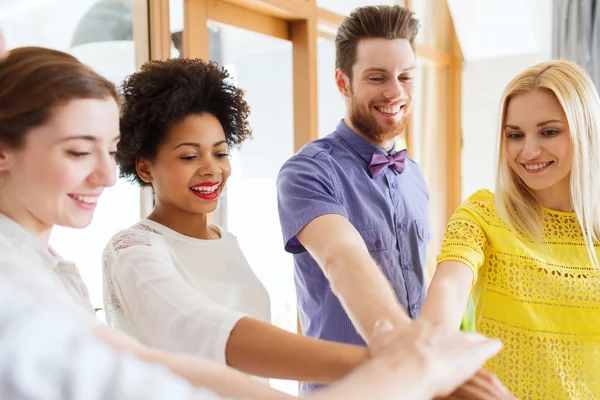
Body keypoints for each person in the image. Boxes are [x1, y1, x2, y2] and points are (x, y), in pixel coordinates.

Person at [276, 6, 510, 397]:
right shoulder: (306, 173)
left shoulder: (414, 176)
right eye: (377, 77)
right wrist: (409, 353)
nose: (396, 92)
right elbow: (341, 257)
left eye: (405, 77)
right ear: (343, 82)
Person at [102, 56, 372, 385]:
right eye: (189, 156)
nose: (211, 169)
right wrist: (376, 363)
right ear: (145, 168)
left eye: (220, 152)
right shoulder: (133, 251)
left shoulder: (225, 241)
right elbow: (202, 329)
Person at [419, 59, 600, 399]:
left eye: (549, 131)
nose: (528, 151)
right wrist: (431, 351)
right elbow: (448, 291)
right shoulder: (485, 214)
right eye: (515, 135)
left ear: (585, 129)